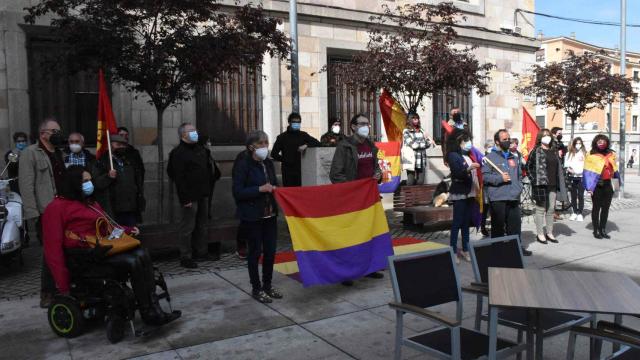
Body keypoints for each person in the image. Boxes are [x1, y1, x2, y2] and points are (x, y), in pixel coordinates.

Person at [42, 165, 180, 325]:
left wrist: (128, 230)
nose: (89, 184)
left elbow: (109, 226)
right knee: (133, 261)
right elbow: (52, 250)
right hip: (83, 258)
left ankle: (152, 307)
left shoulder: (90, 203)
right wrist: (63, 285)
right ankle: (148, 312)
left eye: (90, 180)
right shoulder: (56, 208)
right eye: (85, 181)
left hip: (102, 250)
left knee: (142, 254)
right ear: (73, 183)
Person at [330, 114, 383, 285]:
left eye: (368, 123)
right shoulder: (344, 147)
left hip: (369, 199)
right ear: (353, 127)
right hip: (352, 200)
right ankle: (346, 272)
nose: (366, 126)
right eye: (362, 124)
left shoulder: (371, 146)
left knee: (369, 233)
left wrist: (378, 175)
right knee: (350, 237)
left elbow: (376, 170)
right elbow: (335, 174)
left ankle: (368, 267)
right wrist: (353, 190)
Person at [19, 118, 66, 308]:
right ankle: (47, 292)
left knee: (64, 249)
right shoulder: (30, 153)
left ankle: (62, 286)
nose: (58, 134)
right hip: (45, 212)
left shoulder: (58, 153)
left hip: (62, 209)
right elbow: (26, 185)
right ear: (43, 133)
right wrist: (33, 214)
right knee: (50, 253)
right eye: (55, 131)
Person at [232, 130, 283, 303]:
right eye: (261, 143)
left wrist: (276, 189)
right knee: (255, 253)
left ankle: (268, 285)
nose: (264, 147)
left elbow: (273, 183)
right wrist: (259, 189)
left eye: (266, 143)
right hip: (252, 215)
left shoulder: (267, 163)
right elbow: (238, 191)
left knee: (270, 252)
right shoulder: (243, 164)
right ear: (251, 146)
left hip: (270, 214)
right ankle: (257, 287)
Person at [167, 123, 216, 269]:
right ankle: (185, 256)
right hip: (189, 196)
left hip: (203, 193)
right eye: (191, 131)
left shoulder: (201, 149)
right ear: (183, 135)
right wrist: (185, 198)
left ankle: (201, 251)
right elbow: (177, 177)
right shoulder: (178, 153)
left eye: (195, 130)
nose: (195, 132)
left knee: (202, 224)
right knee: (187, 227)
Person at [482, 130, 532, 256]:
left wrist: (518, 187)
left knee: (515, 226)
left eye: (508, 138)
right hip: (498, 197)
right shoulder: (489, 158)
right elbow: (485, 177)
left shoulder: (513, 157)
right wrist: (500, 179)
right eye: (504, 139)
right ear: (497, 142)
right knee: (498, 227)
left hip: (513, 197)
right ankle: (497, 251)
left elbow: (519, 175)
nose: (508, 141)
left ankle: (516, 249)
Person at [93, 135, 145, 228]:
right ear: (110, 145)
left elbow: (137, 180)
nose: (121, 147)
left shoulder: (129, 160)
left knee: (133, 234)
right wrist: (108, 176)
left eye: (123, 145)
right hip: (114, 209)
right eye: (118, 144)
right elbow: (97, 183)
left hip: (130, 208)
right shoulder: (102, 161)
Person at [527, 128, 568, 245]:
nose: (547, 137)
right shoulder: (536, 151)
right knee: (540, 210)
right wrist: (533, 180)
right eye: (544, 135)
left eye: (548, 135)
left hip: (553, 184)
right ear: (540, 138)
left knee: (550, 210)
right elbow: (528, 167)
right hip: (540, 185)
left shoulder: (553, 151)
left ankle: (549, 232)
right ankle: (540, 234)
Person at [446, 130, 480, 263]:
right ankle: (453, 250)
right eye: (466, 141)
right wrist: (468, 169)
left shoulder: (468, 156)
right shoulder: (453, 155)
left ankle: (465, 249)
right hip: (460, 192)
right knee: (457, 222)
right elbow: (457, 173)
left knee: (466, 222)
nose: (468, 143)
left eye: (469, 140)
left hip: (470, 192)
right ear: (459, 142)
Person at [271, 113, 321, 187]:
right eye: (294, 122)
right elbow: (274, 153)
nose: (296, 124)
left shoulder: (303, 135)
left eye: (298, 122)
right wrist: (285, 160)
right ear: (289, 122)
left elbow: (318, 143)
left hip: (301, 170)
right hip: (288, 171)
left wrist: (306, 145)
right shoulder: (282, 137)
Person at [583, 135, 618, 239]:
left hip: (609, 183)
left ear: (607, 142)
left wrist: (616, 187)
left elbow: (615, 170)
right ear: (595, 142)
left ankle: (603, 229)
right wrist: (589, 188)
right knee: (596, 208)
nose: (601, 142)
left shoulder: (611, 154)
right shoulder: (591, 154)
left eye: (603, 141)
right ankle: (596, 230)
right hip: (597, 184)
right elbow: (587, 172)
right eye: (599, 141)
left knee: (606, 208)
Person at [401, 112, 432, 185]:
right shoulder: (406, 131)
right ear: (410, 120)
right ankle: (403, 185)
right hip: (411, 159)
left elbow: (429, 143)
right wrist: (424, 142)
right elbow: (413, 145)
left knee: (420, 182)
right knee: (410, 182)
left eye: (417, 118)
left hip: (421, 159)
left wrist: (424, 142)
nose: (416, 120)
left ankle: (416, 195)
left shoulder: (421, 130)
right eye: (414, 118)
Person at [565, 137, 586, 222]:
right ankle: (574, 212)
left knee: (580, 195)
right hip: (572, 177)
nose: (578, 145)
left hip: (581, 177)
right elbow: (566, 165)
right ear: (574, 144)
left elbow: (587, 165)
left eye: (579, 143)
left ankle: (580, 213)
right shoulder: (569, 154)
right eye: (576, 143)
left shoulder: (584, 153)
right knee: (573, 195)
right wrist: (571, 170)